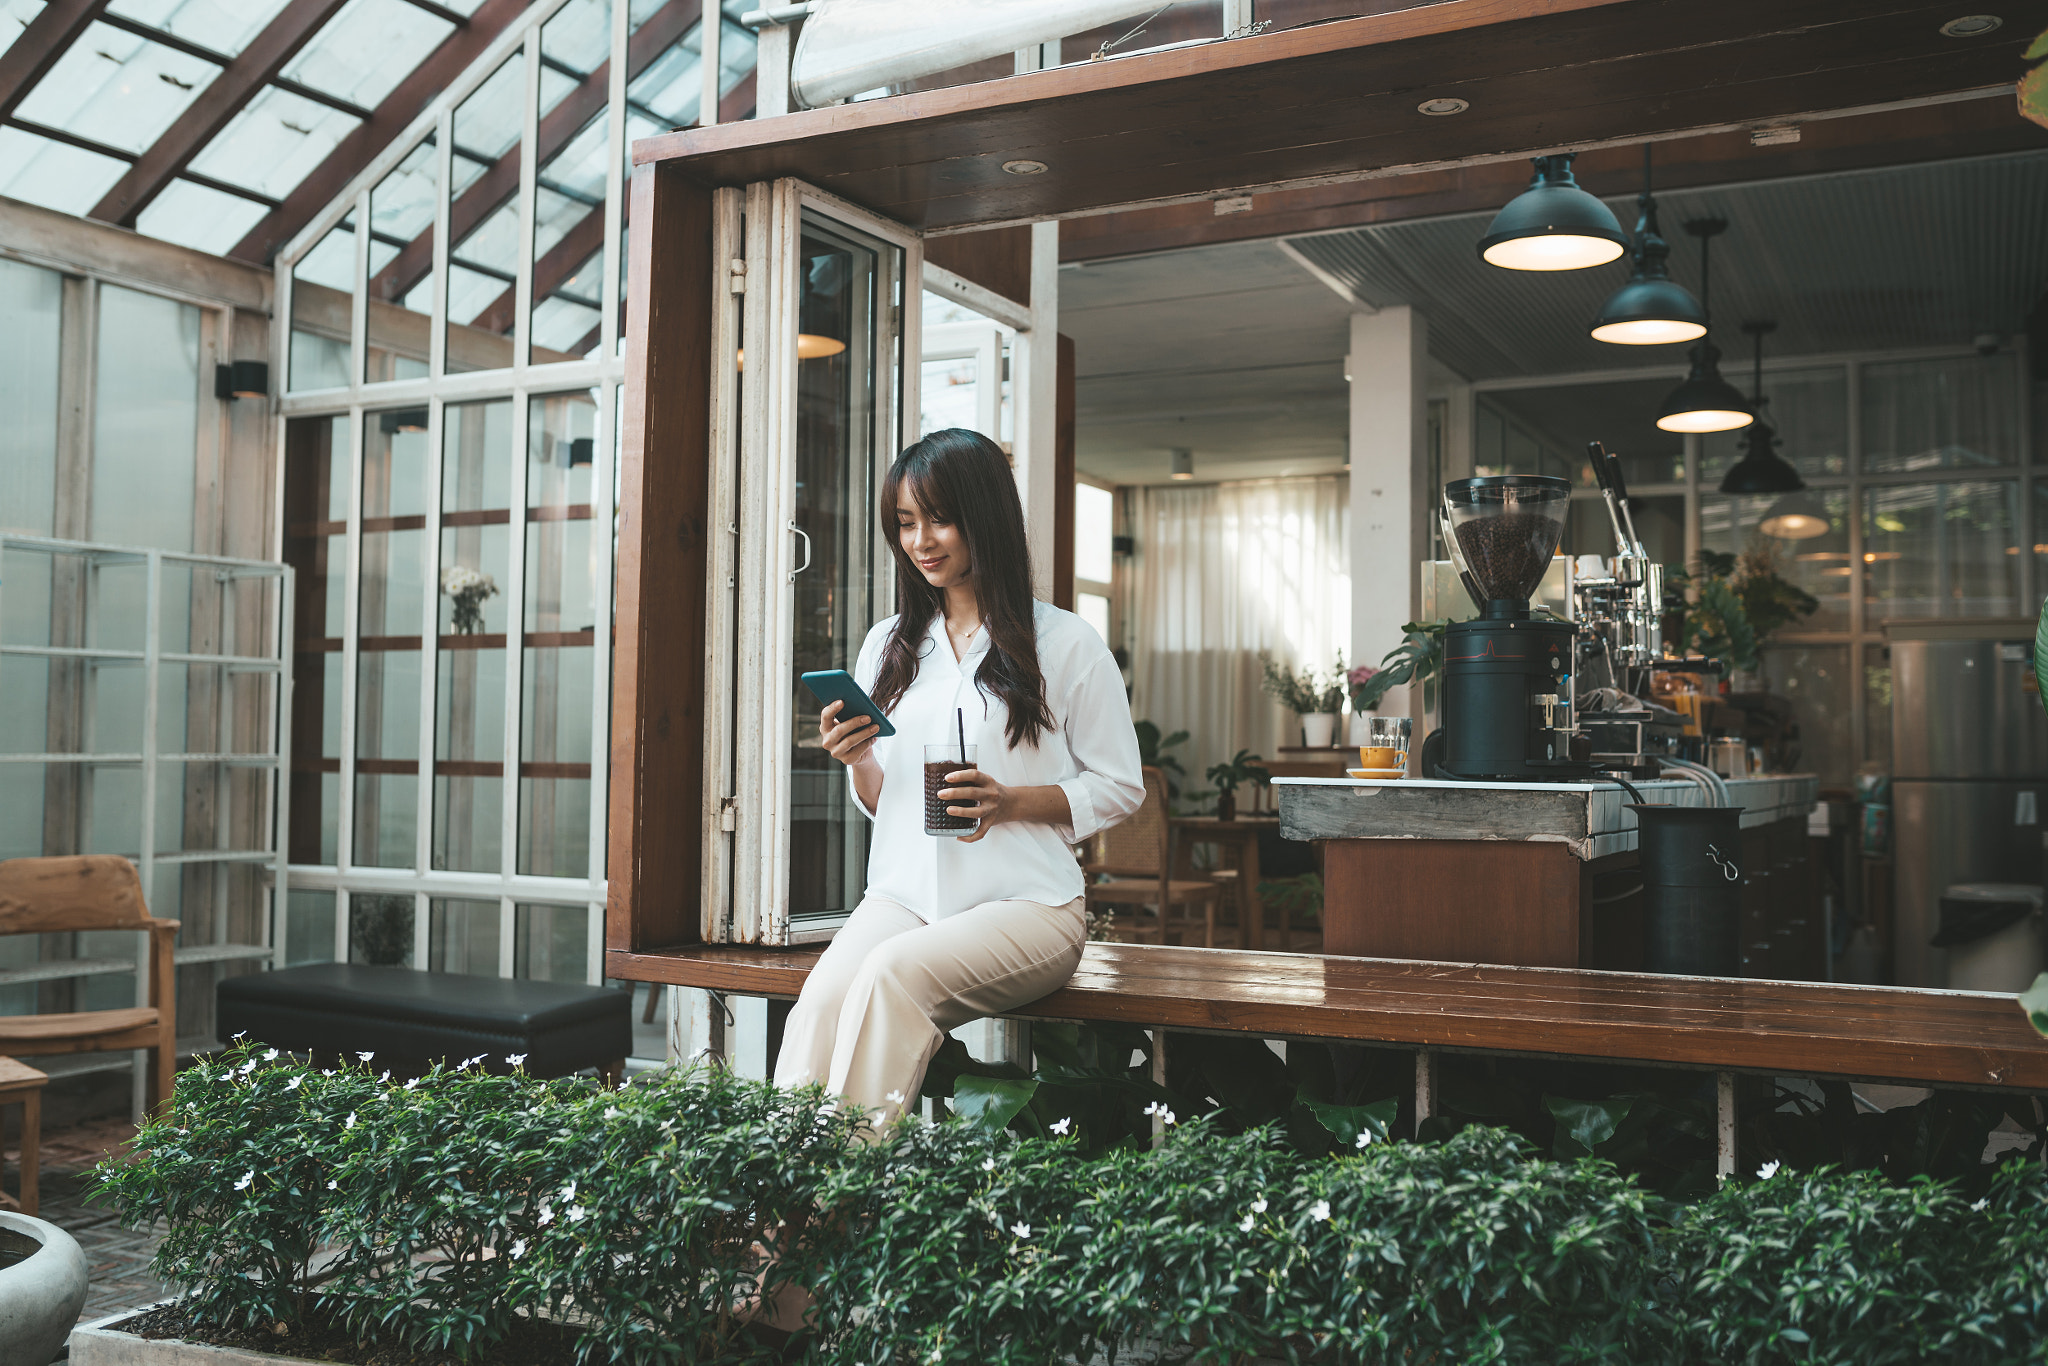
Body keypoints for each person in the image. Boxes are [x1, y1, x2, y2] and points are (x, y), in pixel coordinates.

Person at [772, 427, 1144, 1129]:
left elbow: (1122, 784)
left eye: (939, 518)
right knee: (821, 1001)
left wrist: (1011, 802)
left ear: (985, 516)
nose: (921, 541)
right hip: (907, 895)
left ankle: (839, 1197)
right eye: (905, 523)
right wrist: (859, 760)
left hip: (1030, 905)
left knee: (892, 976)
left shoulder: (1065, 643)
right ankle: (782, 1188)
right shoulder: (889, 643)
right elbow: (891, 803)